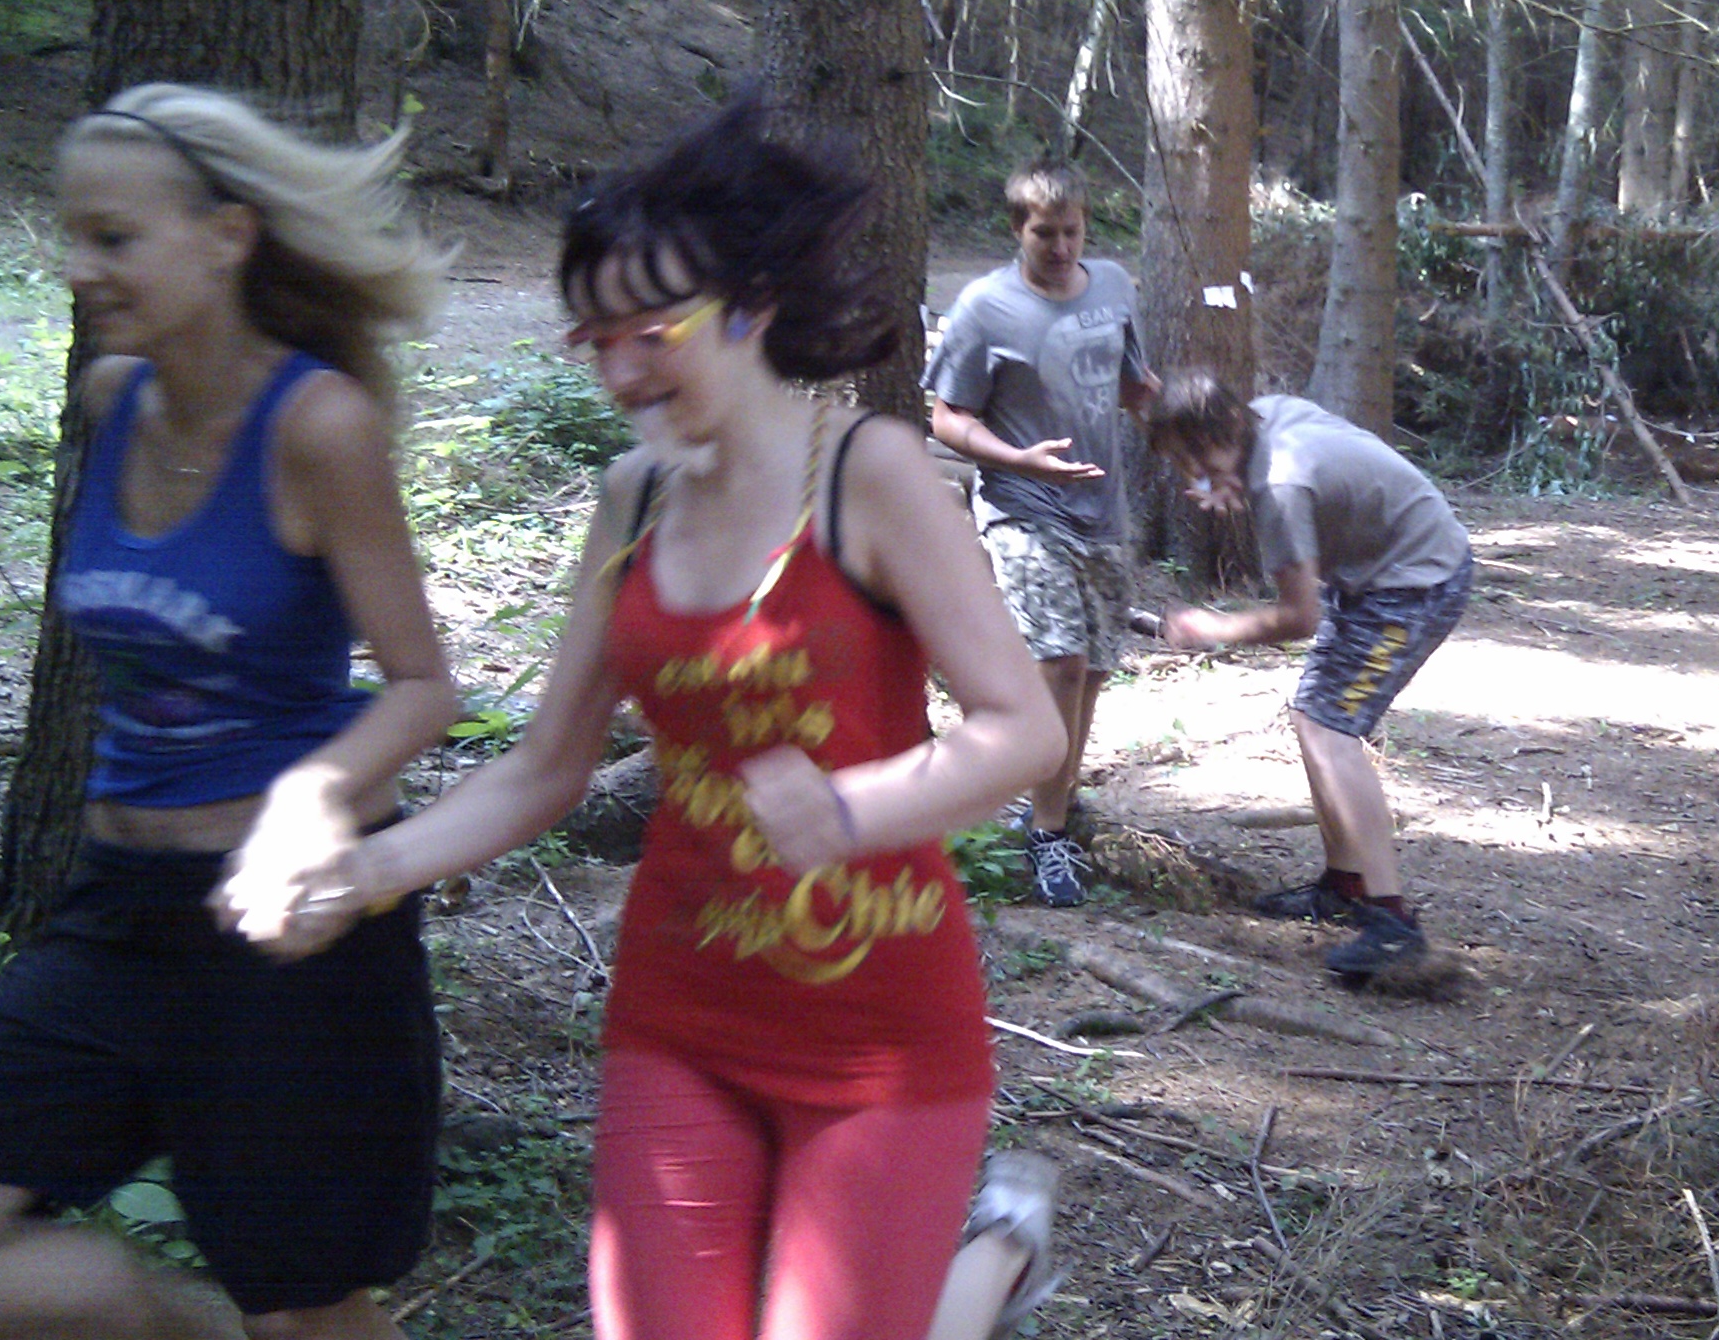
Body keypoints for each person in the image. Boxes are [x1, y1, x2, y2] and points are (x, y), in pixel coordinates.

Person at [225, 98, 1069, 1340]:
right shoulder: (632, 501)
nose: (621, 371)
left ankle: (994, 1250)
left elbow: (1023, 729)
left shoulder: (870, 475)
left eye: (652, 332)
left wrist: (853, 806)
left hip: (881, 1043)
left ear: (754, 304)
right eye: (596, 338)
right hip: (681, 1019)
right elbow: (547, 765)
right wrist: (364, 872)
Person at [0, 85, 459, 1340]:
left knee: (309, 1310)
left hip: (290, 928)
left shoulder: (317, 426)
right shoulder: (115, 400)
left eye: (113, 238)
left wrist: (311, 801)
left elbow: (425, 686)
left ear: (226, 236)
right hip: (117, 914)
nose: (79, 268)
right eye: (71, 235)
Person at [1145, 370, 1474, 982]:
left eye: (1196, 461)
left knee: (1331, 729)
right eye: (1183, 465)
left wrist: (1212, 627)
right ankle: (1346, 884)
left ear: (1222, 430)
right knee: (1313, 716)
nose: (1193, 476)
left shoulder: (1280, 487)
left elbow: (1300, 617)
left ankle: (1394, 926)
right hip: (1381, 571)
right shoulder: (1264, 415)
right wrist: (1229, 477)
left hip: (1417, 581)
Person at [923, 162, 1157, 907]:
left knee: (1093, 672)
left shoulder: (1113, 287)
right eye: (1043, 233)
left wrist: (1186, 431)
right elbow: (947, 417)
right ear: (1017, 230)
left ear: (1087, 228)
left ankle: (1054, 798)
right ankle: (1047, 834)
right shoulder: (985, 307)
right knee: (1060, 659)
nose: (1059, 248)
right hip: (1022, 504)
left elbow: (1133, 386)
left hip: (1103, 509)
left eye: (1071, 233)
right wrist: (1016, 458)